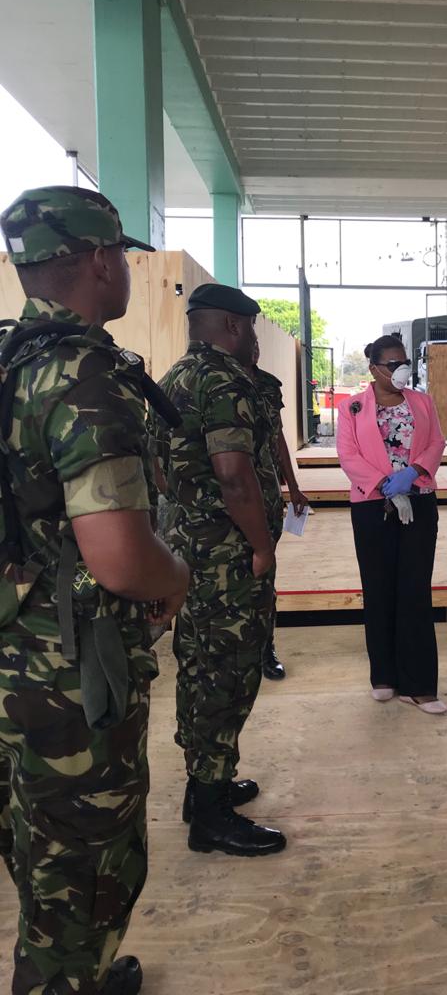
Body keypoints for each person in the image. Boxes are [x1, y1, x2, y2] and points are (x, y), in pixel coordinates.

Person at [0, 186, 190, 995]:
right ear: (102, 260)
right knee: (83, 874)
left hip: (13, 656)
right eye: (126, 257)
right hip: (69, 676)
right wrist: (175, 576)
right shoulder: (82, 377)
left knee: (37, 846)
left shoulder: (9, 359)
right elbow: (118, 557)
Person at [149, 283, 286, 857]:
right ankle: (210, 815)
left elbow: (159, 469)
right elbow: (234, 474)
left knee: (200, 665)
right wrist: (260, 545)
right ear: (233, 326)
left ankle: (205, 787)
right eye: (252, 328)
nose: (255, 339)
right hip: (228, 558)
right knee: (228, 673)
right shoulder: (224, 380)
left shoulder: (174, 378)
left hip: (189, 548)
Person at [337, 335, 447, 714]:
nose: (402, 369)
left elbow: (436, 442)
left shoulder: (422, 402)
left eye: (405, 362)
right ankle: (383, 675)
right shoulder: (351, 407)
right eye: (392, 363)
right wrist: (385, 484)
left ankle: (419, 686)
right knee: (378, 588)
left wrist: (414, 472)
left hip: (417, 502)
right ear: (374, 369)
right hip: (371, 506)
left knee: (413, 589)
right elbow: (348, 455)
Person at [249, 338, 309, 681]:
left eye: (258, 342)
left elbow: (278, 437)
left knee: (265, 574)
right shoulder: (210, 382)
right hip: (217, 503)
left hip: (264, 495)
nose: (255, 348)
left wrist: (293, 485)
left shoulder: (267, 386)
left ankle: (264, 648)